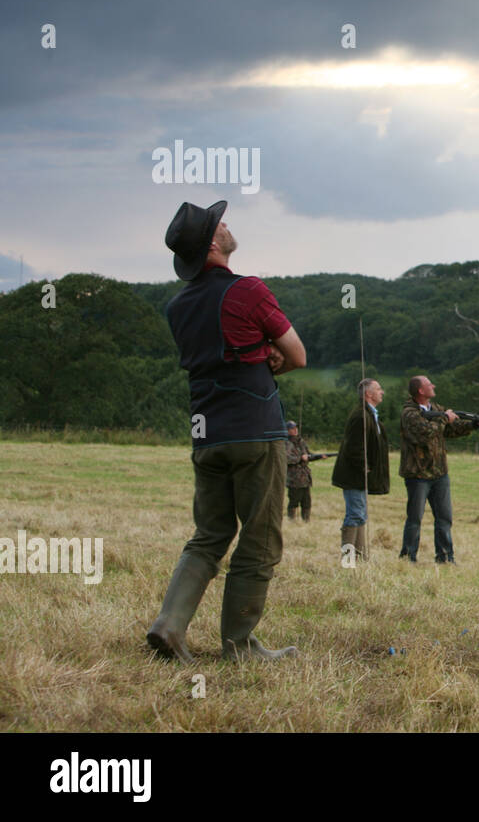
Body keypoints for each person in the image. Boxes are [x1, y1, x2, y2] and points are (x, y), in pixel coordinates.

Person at [148, 200, 306, 664]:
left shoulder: (178, 307)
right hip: (256, 429)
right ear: (215, 241)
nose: (227, 225)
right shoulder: (249, 290)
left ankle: (169, 626)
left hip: (206, 433)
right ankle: (240, 646)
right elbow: (296, 355)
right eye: (222, 223)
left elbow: (218, 352)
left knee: (210, 534)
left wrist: (259, 353)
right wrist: (269, 355)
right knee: (260, 540)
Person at [398, 376, 479, 564]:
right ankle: (408, 557)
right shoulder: (409, 413)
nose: (434, 386)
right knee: (415, 519)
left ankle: (445, 557)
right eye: (429, 384)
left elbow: (451, 430)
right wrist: (444, 419)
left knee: (444, 518)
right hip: (418, 474)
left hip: (440, 473)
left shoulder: (436, 409)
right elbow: (424, 434)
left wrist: (475, 424)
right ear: (421, 391)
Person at [331, 379, 389, 560]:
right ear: (368, 394)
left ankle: (361, 558)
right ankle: (348, 560)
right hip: (354, 476)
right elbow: (354, 447)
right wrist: (364, 467)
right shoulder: (361, 416)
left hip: (360, 475)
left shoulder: (370, 415)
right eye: (379, 389)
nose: (382, 392)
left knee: (360, 515)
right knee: (355, 515)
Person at [284, 420, 313, 521]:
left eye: (296, 427)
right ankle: (291, 521)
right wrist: (300, 458)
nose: (295, 430)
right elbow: (286, 458)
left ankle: (306, 521)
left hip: (305, 477)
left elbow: (308, 455)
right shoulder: (286, 443)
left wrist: (318, 457)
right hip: (294, 478)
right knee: (294, 501)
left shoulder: (301, 441)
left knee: (307, 501)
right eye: (292, 428)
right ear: (287, 431)